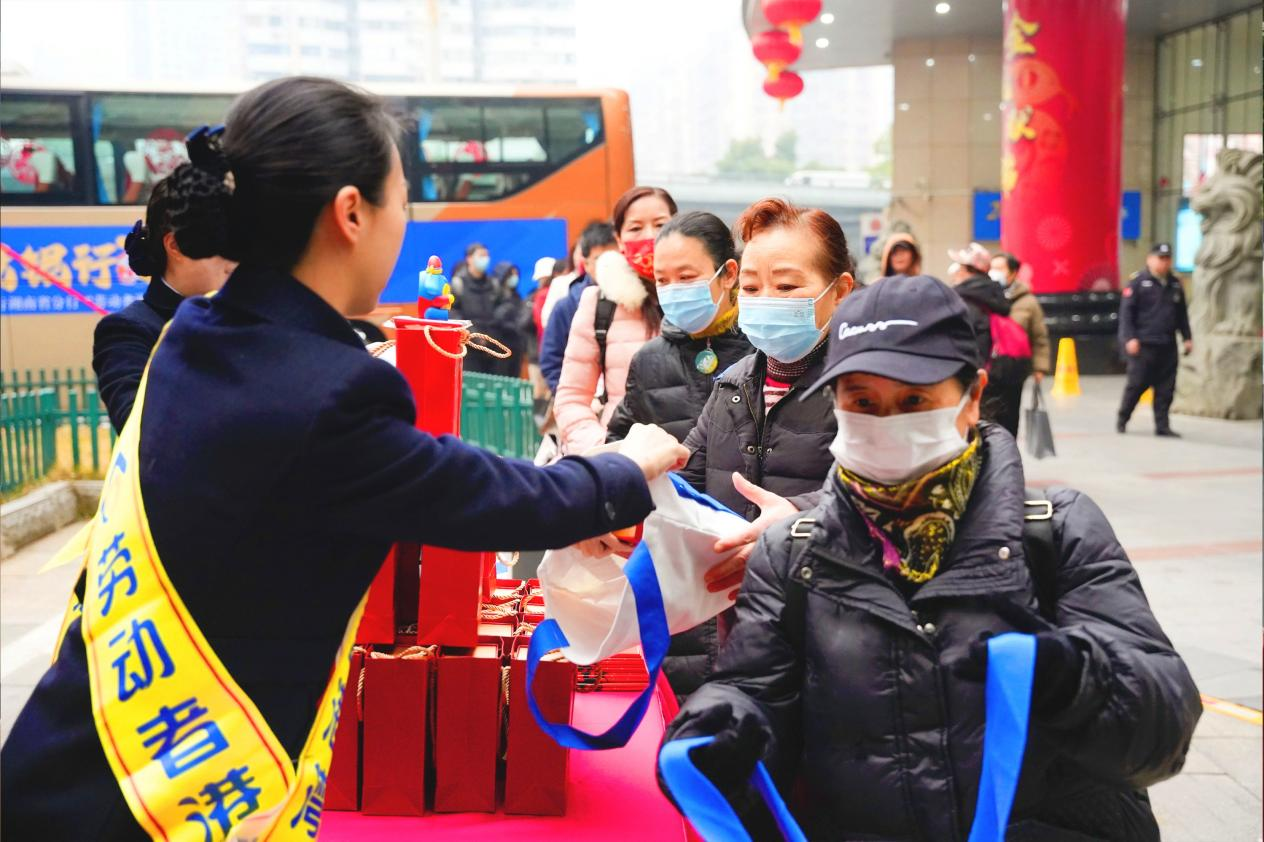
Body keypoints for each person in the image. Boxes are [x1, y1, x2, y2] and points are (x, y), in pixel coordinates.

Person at [0, 77, 688, 842]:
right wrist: (631, 466)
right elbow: (483, 496)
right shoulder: (328, 389)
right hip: (147, 811)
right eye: (402, 202)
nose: (405, 224)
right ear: (351, 213)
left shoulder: (199, 335)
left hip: (68, 763)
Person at [661, 274, 1201, 841]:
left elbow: (1164, 732)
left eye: (914, 401)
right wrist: (719, 727)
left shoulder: (1056, 532)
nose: (887, 423)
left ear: (971, 399)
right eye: (862, 402)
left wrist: (1076, 677)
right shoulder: (794, 552)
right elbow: (757, 693)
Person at [660, 198, 854, 699]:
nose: (765, 299)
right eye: (751, 288)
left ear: (840, 291)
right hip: (741, 633)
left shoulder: (863, 391)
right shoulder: (733, 385)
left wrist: (793, 521)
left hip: (835, 633)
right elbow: (688, 479)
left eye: (787, 287)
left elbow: (881, 495)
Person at [93, 161, 237, 432]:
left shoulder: (251, 314)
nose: (237, 261)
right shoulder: (128, 331)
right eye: (227, 247)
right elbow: (141, 428)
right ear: (176, 245)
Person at [606, 211, 753, 443]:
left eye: (686, 277)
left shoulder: (763, 349)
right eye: (662, 280)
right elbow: (620, 442)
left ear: (729, 274)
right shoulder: (648, 360)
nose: (673, 289)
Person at [553, 186, 674, 454]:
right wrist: (606, 449)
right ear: (619, 239)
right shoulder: (599, 303)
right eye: (635, 228)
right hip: (622, 463)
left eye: (661, 224)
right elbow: (571, 398)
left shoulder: (701, 299)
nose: (650, 236)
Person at [949, 242, 1030, 437]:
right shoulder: (994, 296)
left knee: (982, 440)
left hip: (982, 385)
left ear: (968, 270)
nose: (955, 271)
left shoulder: (966, 303)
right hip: (1003, 378)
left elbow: (974, 348)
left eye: (959, 266)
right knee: (1002, 437)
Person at [1117, 242, 1192, 437]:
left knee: (1166, 388)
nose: (1164, 262)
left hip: (1167, 345)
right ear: (1150, 259)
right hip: (1144, 345)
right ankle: (1123, 417)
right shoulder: (1138, 283)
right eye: (1160, 258)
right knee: (1137, 385)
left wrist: (1187, 337)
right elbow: (1126, 315)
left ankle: (1162, 425)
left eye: (1167, 259)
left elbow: (1182, 314)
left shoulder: (1175, 284)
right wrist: (1129, 338)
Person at [539, 221, 619, 393]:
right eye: (599, 259)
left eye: (614, 257)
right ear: (586, 263)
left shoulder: (640, 301)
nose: (608, 265)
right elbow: (551, 360)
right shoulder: (566, 307)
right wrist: (574, 403)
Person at [450, 243, 515, 375]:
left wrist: (497, 319)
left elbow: (507, 304)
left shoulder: (494, 283)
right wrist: (472, 333)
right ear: (469, 259)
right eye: (481, 255)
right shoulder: (458, 284)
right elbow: (452, 312)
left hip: (493, 346)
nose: (485, 259)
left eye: (487, 255)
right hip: (470, 347)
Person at [991, 251, 1052, 384]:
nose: (993, 273)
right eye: (992, 268)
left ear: (1013, 272)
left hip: (1016, 366)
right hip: (989, 365)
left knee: (1011, 403)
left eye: (999, 269)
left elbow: (1039, 336)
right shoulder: (985, 298)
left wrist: (1039, 368)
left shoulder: (1028, 301)